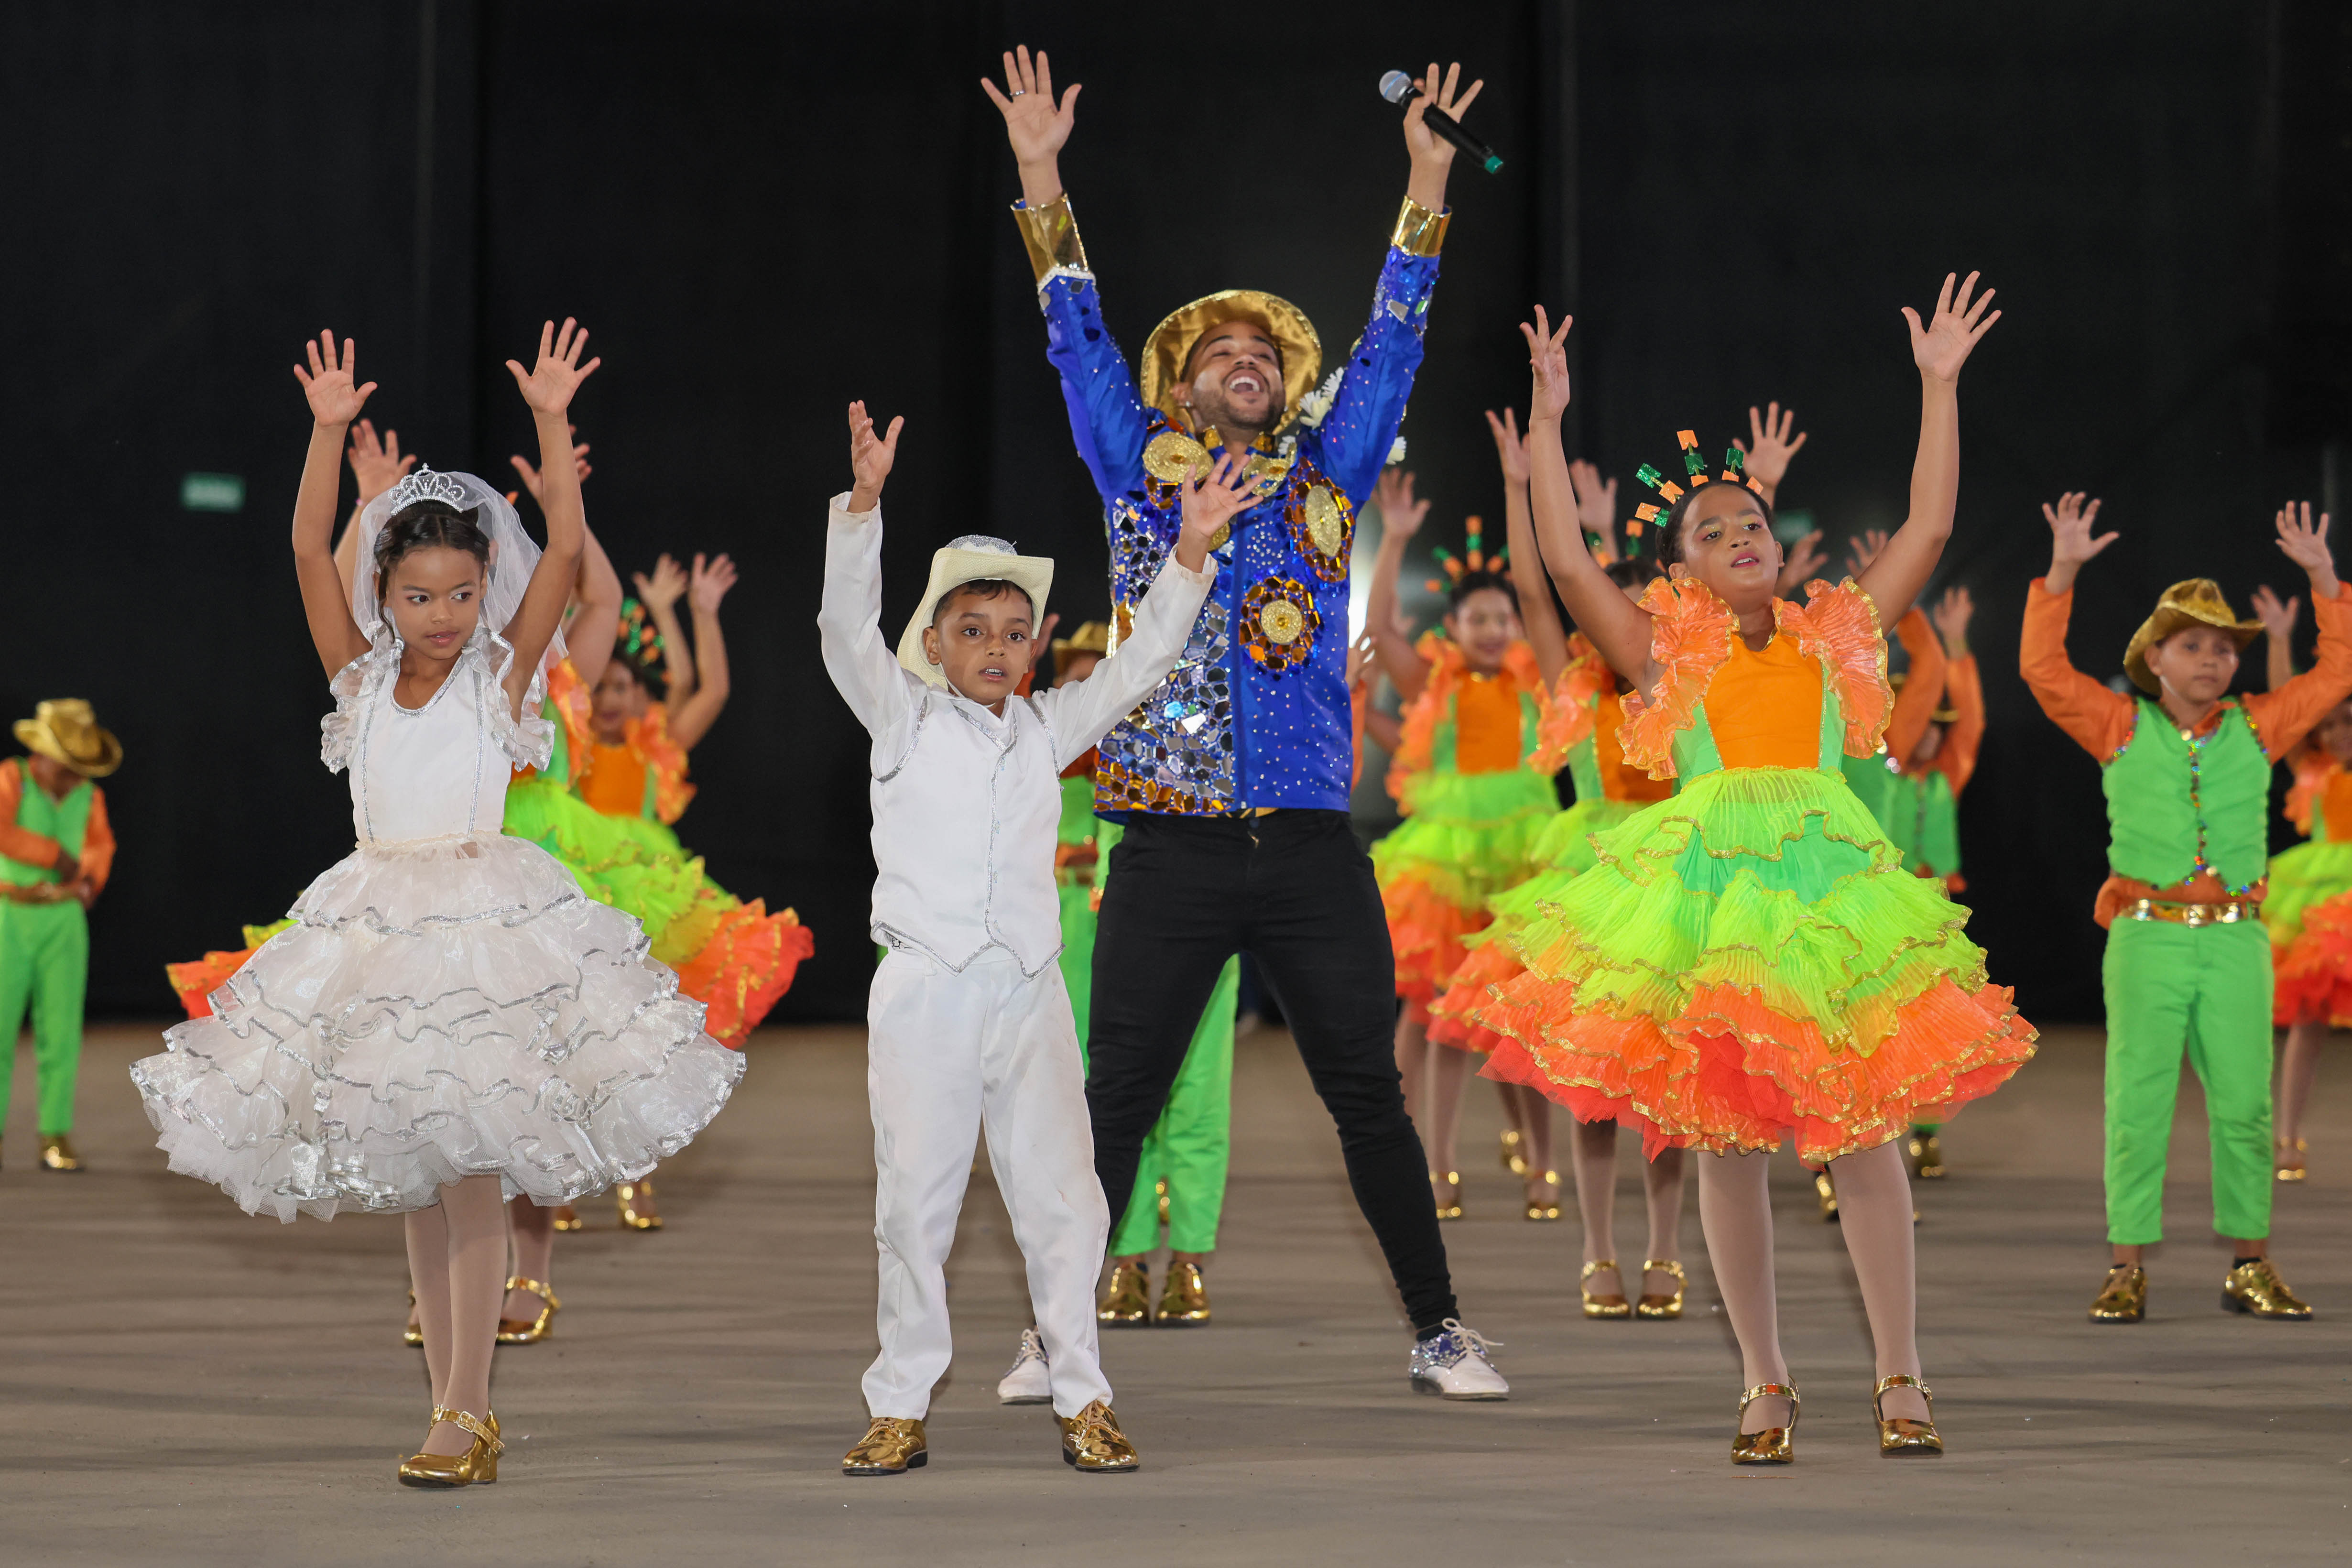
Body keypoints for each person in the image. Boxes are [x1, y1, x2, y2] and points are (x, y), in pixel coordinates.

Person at [131, 324, 745, 1488]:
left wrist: (553, 425)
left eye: (464, 592)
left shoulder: (499, 679)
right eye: (421, 595)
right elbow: (308, 547)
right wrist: (324, 433)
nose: (447, 614)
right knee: (420, 1173)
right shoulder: (357, 679)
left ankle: (466, 1409)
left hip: (482, 930)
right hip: (375, 929)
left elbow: (564, 550)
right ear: (387, 596)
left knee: (470, 1174)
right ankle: (447, 1403)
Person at [984, 44, 1509, 1399]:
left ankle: (1440, 1329)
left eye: (1264, 355)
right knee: (1114, 1103)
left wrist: (1427, 188)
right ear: (1181, 385)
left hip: (1310, 843)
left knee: (1367, 1098)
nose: (1246, 365)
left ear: (1286, 383)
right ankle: (1056, 1334)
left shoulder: (1331, 474)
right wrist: (1041, 174)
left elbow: (1395, 339)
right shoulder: (1132, 464)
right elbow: (1074, 333)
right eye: (1219, 355)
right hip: (1162, 841)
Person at [1493, 279, 2033, 1465]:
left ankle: (1899, 1372)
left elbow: (1928, 527)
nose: (1740, 533)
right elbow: (1561, 563)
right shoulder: (1660, 649)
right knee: (1727, 1144)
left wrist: (1937, 386)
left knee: (1863, 1133)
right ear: (1679, 569)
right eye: (1712, 528)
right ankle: (1763, 1380)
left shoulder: (1831, 629)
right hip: (1715, 902)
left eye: (1750, 520)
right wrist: (1544, 422)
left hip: (1830, 894)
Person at [820, 401, 1233, 1476]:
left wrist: (1190, 553)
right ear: (934, 642)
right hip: (925, 993)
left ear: (1034, 643)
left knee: (1065, 1198)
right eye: (973, 632)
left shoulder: (1051, 727)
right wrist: (863, 508)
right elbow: (839, 632)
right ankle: (900, 1401)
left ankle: (1083, 1392)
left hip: (1030, 994)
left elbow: (1142, 665)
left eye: (1013, 633)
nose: (996, 649)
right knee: (914, 1200)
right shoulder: (901, 718)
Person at [2021, 491, 2349, 1325]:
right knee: (2137, 1100)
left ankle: (2251, 1263)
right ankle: (2126, 1266)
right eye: (2194, 646)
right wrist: (2061, 570)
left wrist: (2322, 576)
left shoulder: (2259, 726)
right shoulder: (2119, 726)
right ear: (2155, 660)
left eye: (2224, 650)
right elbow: (2042, 672)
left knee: (2246, 1105)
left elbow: (2339, 673)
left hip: (2236, 943)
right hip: (2147, 940)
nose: (2214, 661)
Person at [1430, 424, 1691, 1312]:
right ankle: (1596, 1250)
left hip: (1670, 884)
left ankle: (1664, 1250)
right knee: (1592, 1084)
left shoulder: (1678, 686)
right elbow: (1539, 591)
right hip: (1589, 884)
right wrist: (1517, 483)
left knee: (1664, 1083)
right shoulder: (1573, 684)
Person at [1363, 462, 1559, 1225]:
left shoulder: (1534, 682)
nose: (1492, 629)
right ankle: (1436, 1165)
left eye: (1501, 620)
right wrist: (1397, 542)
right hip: (1445, 865)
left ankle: (1543, 1163)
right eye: (1477, 619)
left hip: (1520, 861)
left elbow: (1569, 609)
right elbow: (1381, 631)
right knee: (1439, 1014)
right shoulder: (1434, 682)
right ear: (1454, 628)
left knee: (1521, 1015)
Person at [2254, 586, 2352, 1184]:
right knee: (2307, 1024)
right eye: (2333, 720)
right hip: (2322, 902)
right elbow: (2285, 705)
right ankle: (2288, 1137)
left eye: (2350, 719)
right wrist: (2280, 639)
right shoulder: (2313, 769)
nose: (2340, 729)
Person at [1, 701, 120, 1173]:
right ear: (44, 754)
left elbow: (100, 843)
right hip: (10, 914)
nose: (74, 778)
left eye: (80, 770)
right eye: (69, 768)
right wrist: (56, 855)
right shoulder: (12, 779)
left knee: (62, 1030)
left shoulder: (88, 797)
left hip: (63, 921)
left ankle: (54, 1132)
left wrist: (88, 879)